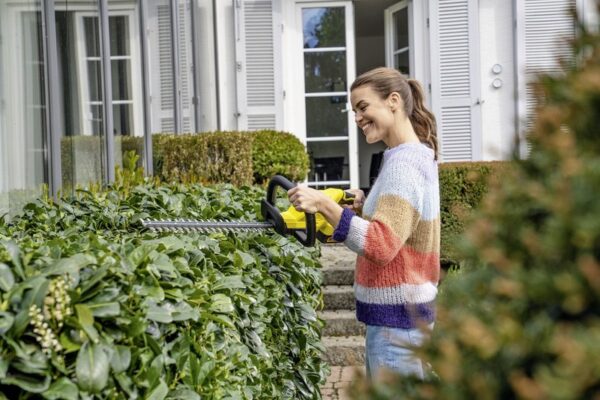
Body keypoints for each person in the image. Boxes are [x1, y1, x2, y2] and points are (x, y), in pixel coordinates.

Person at [287, 67, 440, 380]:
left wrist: (324, 205)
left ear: (393, 101)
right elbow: (401, 230)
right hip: (404, 323)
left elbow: (380, 245)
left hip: (397, 328)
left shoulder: (404, 164)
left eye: (363, 107)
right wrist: (364, 205)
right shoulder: (411, 156)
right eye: (354, 111)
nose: (357, 118)